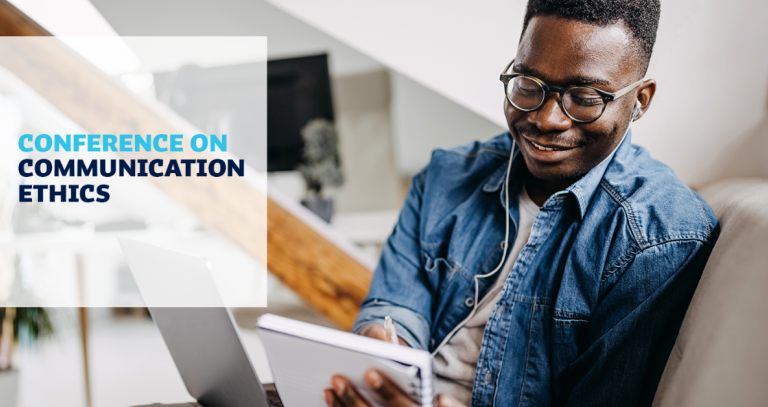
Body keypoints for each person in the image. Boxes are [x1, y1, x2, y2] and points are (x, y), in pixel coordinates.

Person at [325, 0, 718, 406]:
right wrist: (382, 349)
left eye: (584, 98)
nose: (546, 119)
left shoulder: (660, 239)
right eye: (529, 85)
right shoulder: (445, 177)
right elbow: (395, 302)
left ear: (641, 100)